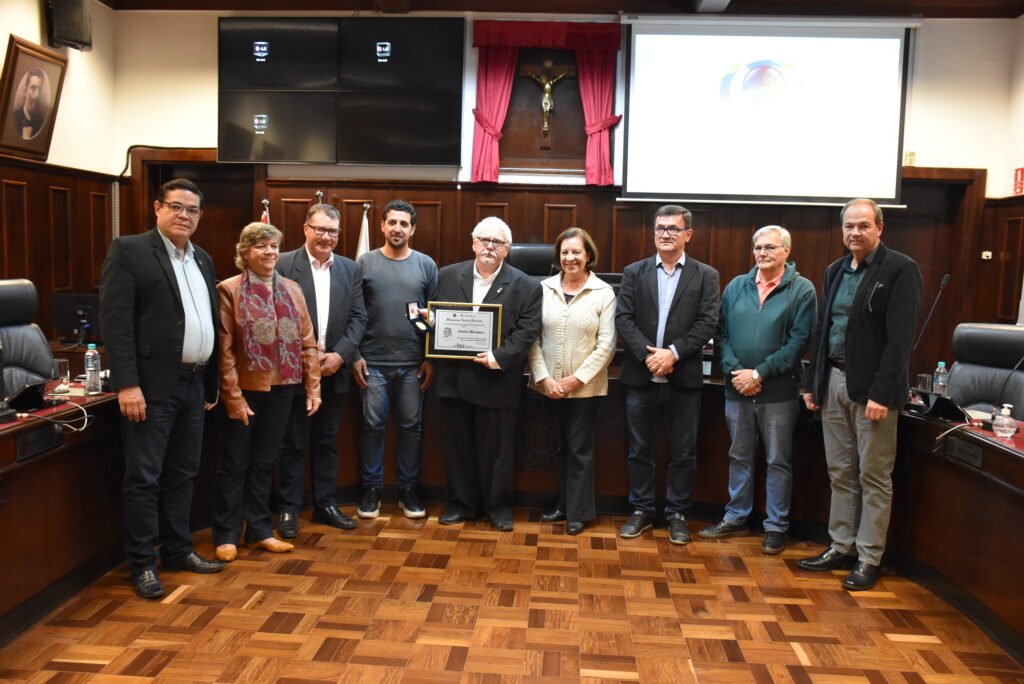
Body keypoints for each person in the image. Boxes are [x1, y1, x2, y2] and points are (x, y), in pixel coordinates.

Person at [100, 178, 223, 599]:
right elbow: (115, 325)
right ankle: (143, 564)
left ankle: (177, 550)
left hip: (193, 385)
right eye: (176, 207)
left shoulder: (203, 259)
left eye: (192, 210)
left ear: (199, 217)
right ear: (158, 208)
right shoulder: (130, 251)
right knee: (144, 478)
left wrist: (211, 383)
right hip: (150, 389)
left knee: (182, 474)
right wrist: (127, 384)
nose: (184, 215)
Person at [797, 198, 921, 591]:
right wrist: (812, 384)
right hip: (833, 382)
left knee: (873, 475)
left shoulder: (900, 269)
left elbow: (900, 341)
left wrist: (882, 393)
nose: (855, 232)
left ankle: (869, 557)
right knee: (840, 472)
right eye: (849, 226)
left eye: (863, 225)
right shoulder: (835, 270)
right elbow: (822, 331)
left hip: (873, 392)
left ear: (879, 228)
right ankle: (841, 545)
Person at [699, 226, 816, 554]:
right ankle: (736, 516)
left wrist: (760, 373)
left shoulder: (802, 290)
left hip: (778, 392)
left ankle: (776, 526)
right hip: (737, 389)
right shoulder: (737, 286)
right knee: (739, 455)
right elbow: (720, 334)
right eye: (758, 248)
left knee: (778, 459)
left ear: (787, 251)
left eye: (770, 248)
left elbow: (798, 342)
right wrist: (737, 371)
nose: (763, 253)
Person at [214, 222, 321, 561]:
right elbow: (225, 351)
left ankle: (259, 529)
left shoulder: (292, 289)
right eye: (261, 246)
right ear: (245, 252)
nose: (270, 252)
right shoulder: (228, 290)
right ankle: (227, 533)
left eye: (274, 246)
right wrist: (233, 397)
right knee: (234, 463)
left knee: (264, 462)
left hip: (283, 389)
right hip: (244, 390)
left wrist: (313, 388)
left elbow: (307, 342)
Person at [615, 205, 720, 544]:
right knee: (639, 449)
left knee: (683, 453)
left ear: (688, 234)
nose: (666, 234)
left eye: (674, 229)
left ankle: (677, 513)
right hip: (641, 377)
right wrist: (650, 356)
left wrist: (672, 353)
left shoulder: (706, 275)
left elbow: (708, 323)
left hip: (683, 379)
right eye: (660, 228)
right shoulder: (634, 271)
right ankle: (642, 510)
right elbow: (624, 318)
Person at [430, 217, 542, 531]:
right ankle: (462, 505)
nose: (489, 247)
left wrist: (497, 356)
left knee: (498, 452)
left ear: (507, 249)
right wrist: (429, 324)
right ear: (473, 243)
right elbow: (438, 318)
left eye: (497, 242)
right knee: (458, 447)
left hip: (496, 381)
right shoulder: (448, 275)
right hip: (454, 379)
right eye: (484, 240)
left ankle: (498, 508)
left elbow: (527, 331)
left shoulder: (526, 285)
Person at [275, 204, 366, 537]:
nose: (327, 237)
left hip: (335, 371)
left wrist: (341, 356)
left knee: (327, 442)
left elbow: (359, 318)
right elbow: (274, 318)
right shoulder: (284, 264)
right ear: (306, 229)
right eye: (321, 229)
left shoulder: (349, 269)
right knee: (293, 443)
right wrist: (307, 358)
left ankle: (325, 504)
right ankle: (288, 509)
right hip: (295, 372)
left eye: (333, 232)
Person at [351, 200, 437, 519]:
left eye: (404, 223)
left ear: (412, 229)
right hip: (372, 363)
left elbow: (433, 317)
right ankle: (372, 489)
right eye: (392, 223)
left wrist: (430, 358)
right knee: (372, 426)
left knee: (411, 427)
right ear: (382, 226)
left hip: (414, 363)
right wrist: (356, 355)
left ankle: (407, 489)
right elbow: (355, 314)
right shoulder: (364, 264)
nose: (397, 228)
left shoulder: (426, 265)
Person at [528, 227, 616, 535]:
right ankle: (563, 505)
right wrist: (544, 378)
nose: (570, 258)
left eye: (576, 252)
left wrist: (575, 380)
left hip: (586, 389)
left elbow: (607, 345)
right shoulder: (543, 288)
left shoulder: (604, 293)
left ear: (588, 255)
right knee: (559, 449)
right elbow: (532, 339)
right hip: (548, 387)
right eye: (565, 252)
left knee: (580, 450)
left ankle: (579, 513)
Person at [14, 68, 47, 139]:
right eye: (33, 88)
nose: (37, 94)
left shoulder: (40, 122)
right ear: (26, 90)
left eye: (39, 89)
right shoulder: (15, 117)